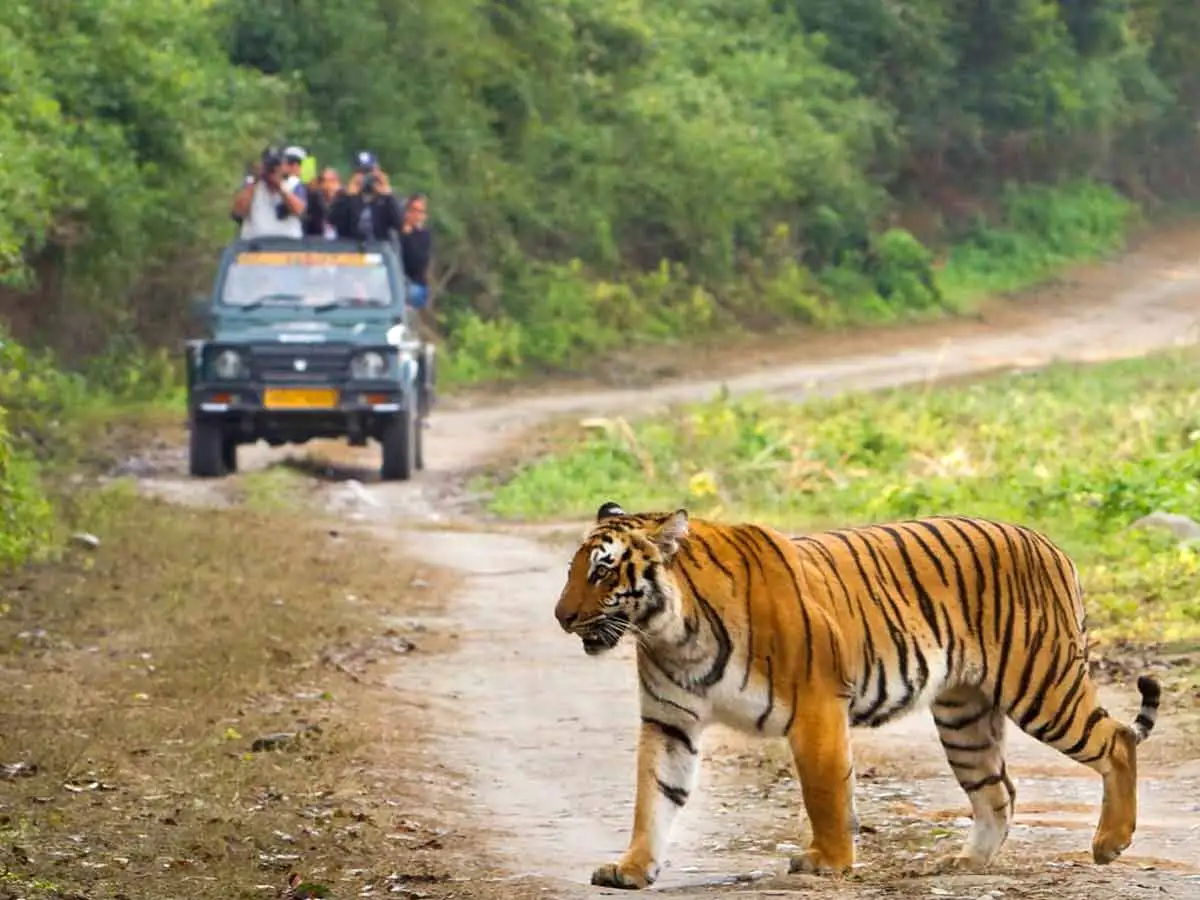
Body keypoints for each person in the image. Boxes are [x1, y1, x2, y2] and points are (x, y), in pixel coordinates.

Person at [230, 146, 306, 239]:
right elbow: (238, 212)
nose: (273, 169)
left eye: (277, 165)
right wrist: (255, 181)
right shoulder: (251, 183)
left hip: (287, 245)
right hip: (255, 244)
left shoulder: (293, 183)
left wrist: (279, 186)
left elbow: (299, 211)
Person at [328, 151, 404, 244]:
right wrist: (349, 196)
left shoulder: (387, 198)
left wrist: (387, 195)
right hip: (351, 250)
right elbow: (333, 221)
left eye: (369, 172)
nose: (366, 177)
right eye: (362, 173)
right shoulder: (343, 196)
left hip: (380, 249)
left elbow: (400, 224)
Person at [399, 192, 432, 309]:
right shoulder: (396, 232)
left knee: (411, 293)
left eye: (420, 212)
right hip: (395, 280)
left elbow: (417, 264)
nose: (416, 215)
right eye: (413, 210)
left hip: (414, 284)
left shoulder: (424, 235)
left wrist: (407, 237)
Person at [303, 167, 343, 239]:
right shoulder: (314, 199)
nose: (330, 185)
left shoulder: (343, 200)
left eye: (333, 181)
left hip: (341, 242)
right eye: (327, 181)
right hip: (317, 240)